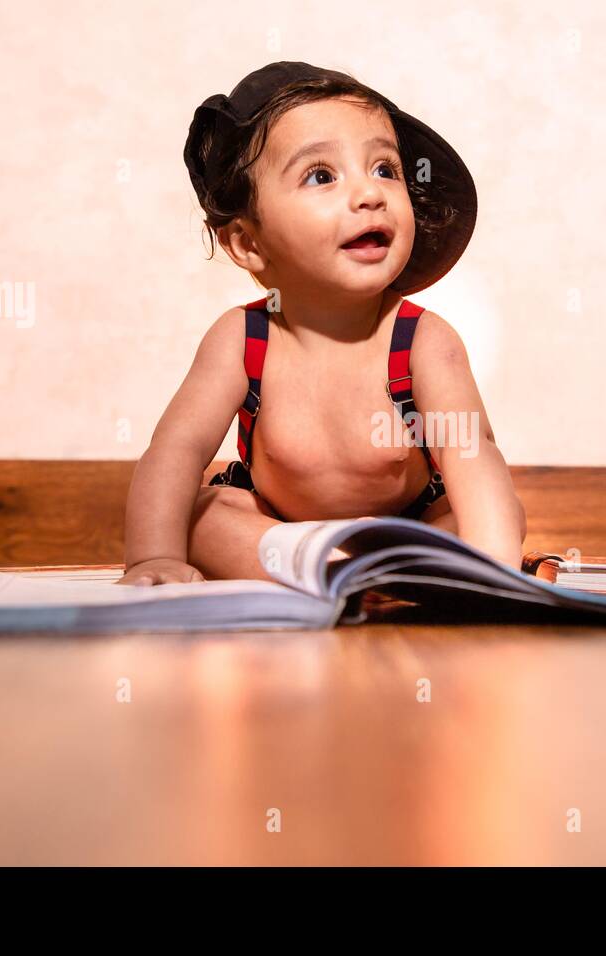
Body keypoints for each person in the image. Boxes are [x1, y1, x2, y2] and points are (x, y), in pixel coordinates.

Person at [121, 62, 525, 585]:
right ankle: (325, 570)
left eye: (385, 169)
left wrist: (495, 572)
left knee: (493, 516)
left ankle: (385, 572)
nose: (370, 194)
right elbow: (176, 449)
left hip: (407, 529)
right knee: (208, 514)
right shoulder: (242, 339)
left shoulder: (422, 340)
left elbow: (470, 453)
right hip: (278, 529)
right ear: (248, 242)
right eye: (322, 176)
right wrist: (152, 557)